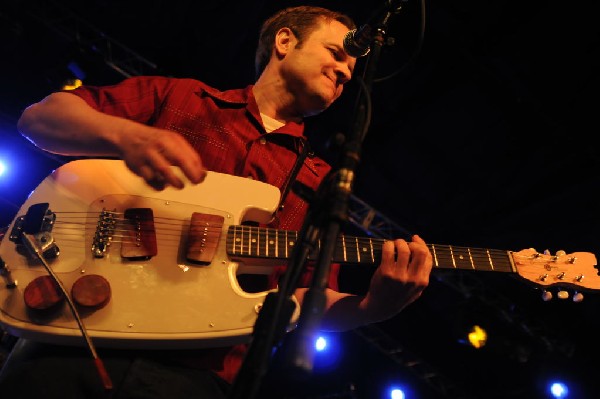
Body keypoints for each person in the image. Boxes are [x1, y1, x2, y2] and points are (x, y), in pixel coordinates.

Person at [1, 5, 433, 398]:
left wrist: (373, 307)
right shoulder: (182, 98)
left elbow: (307, 296)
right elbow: (39, 119)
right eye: (337, 53)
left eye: (350, 71)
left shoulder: (321, 183)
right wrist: (126, 135)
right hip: (71, 338)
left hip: (196, 379)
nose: (345, 73)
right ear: (285, 41)